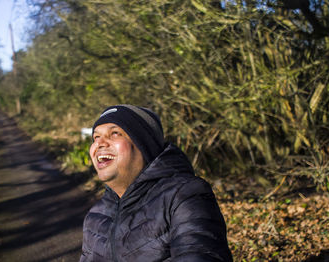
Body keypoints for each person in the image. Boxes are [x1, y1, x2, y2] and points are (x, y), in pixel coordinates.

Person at [80, 105, 232, 261]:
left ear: (144, 145)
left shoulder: (184, 196)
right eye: (96, 137)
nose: (100, 143)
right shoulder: (96, 216)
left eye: (115, 133)